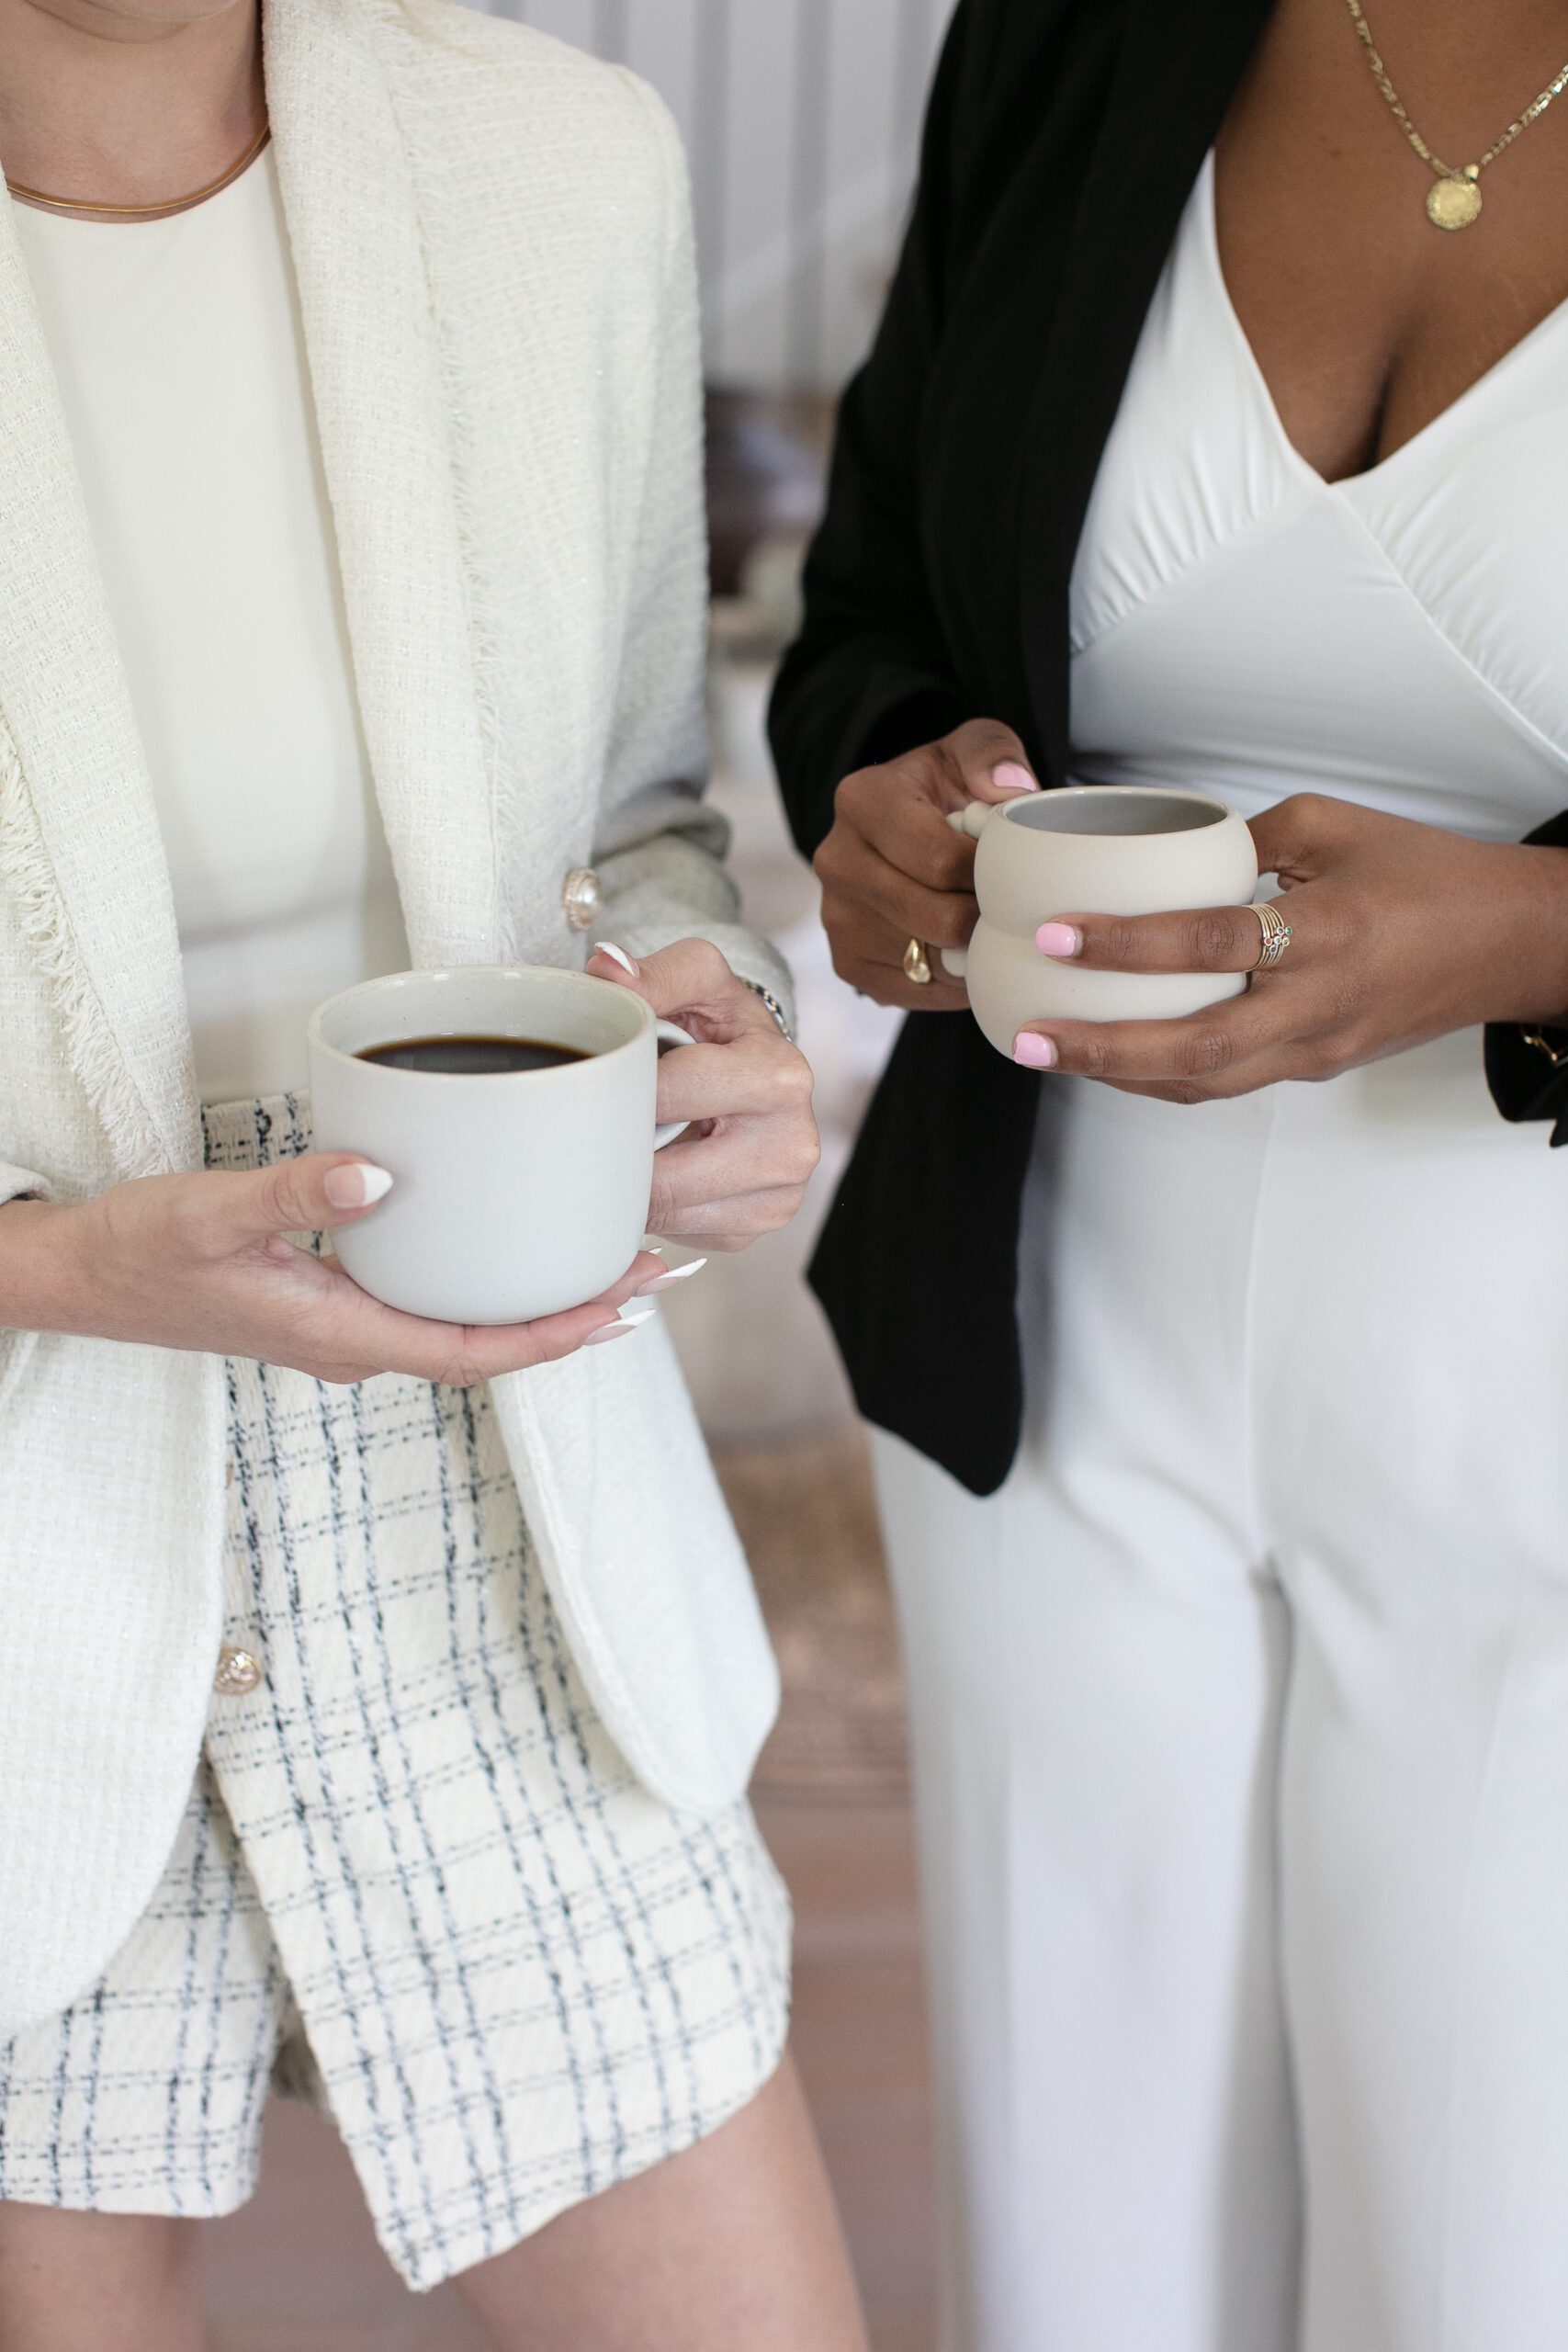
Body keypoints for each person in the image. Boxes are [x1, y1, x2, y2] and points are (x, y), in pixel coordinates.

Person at [0, 1, 869, 2346]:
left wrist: (726, 1033)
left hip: (497, 1493)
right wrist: (62, 1263)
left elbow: (625, 820)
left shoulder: (556, 167)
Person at [770, 1, 1568, 2346]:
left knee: (1491, 2245)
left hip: (1536, 1379)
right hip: (1050, 1320)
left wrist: (1531, 930)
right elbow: (879, 606)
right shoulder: (1067, 24)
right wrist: (892, 806)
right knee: (1072, 2234)